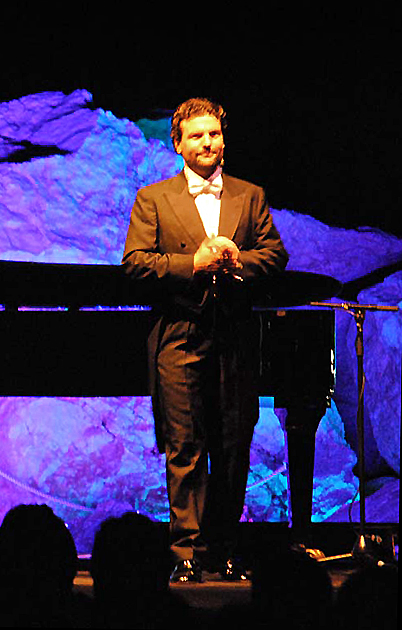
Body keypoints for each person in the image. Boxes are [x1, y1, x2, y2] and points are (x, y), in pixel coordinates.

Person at [122, 98, 288, 583]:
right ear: (178, 144)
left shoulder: (248, 195)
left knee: (234, 444)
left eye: (213, 134)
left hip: (235, 335)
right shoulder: (154, 198)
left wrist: (238, 261)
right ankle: (186, 553)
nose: (207, 143)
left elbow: (274, 255)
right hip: (179, 334)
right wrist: (190, 264)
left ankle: (225, 547)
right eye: (196, 136)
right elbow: (134, 264)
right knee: (185, 444)